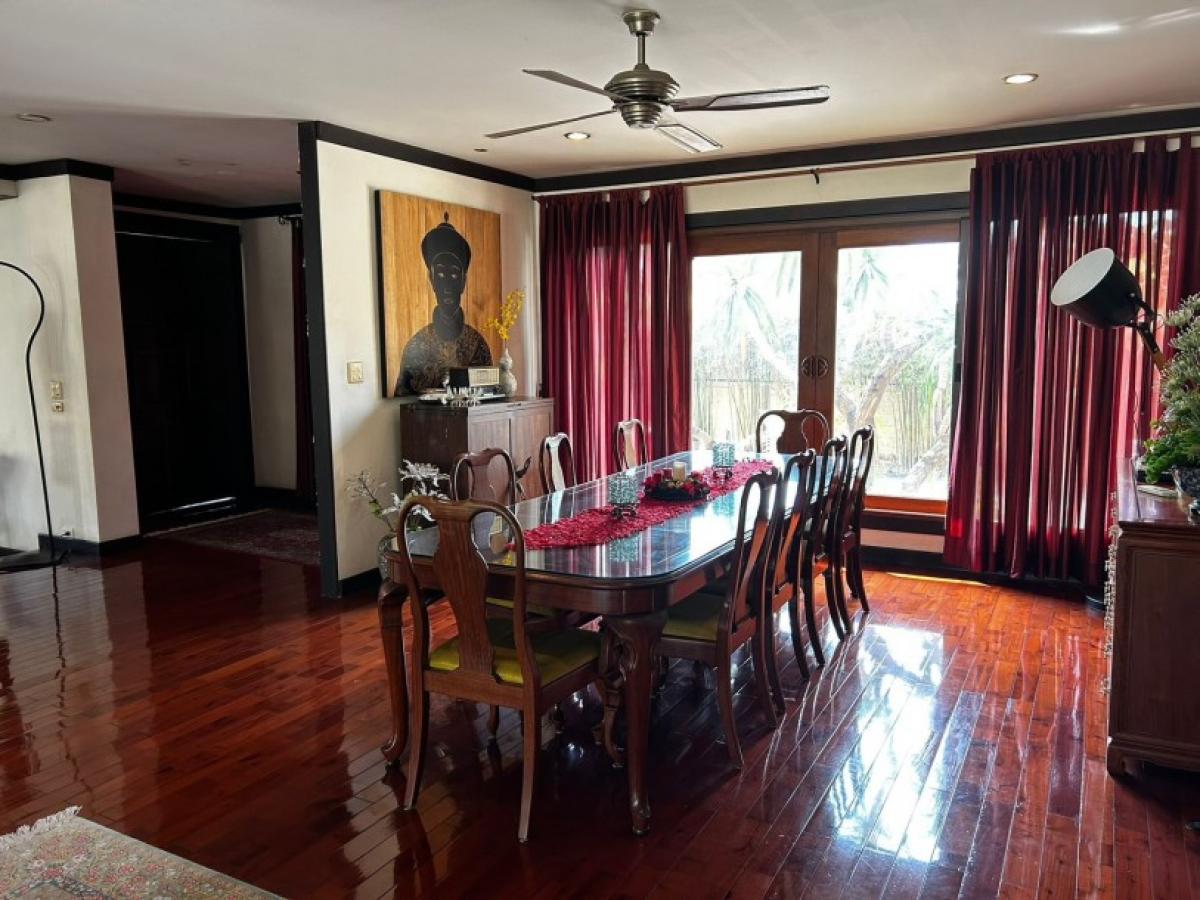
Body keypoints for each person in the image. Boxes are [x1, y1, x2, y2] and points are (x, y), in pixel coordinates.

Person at [395, 213, 492, 395]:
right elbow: (403, 398)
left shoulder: (477, 345)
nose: (447, 285)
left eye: (453, 274)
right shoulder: (416, 345)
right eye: (440, 274)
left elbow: (489, 396)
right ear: (431, 280)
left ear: (463, 281)